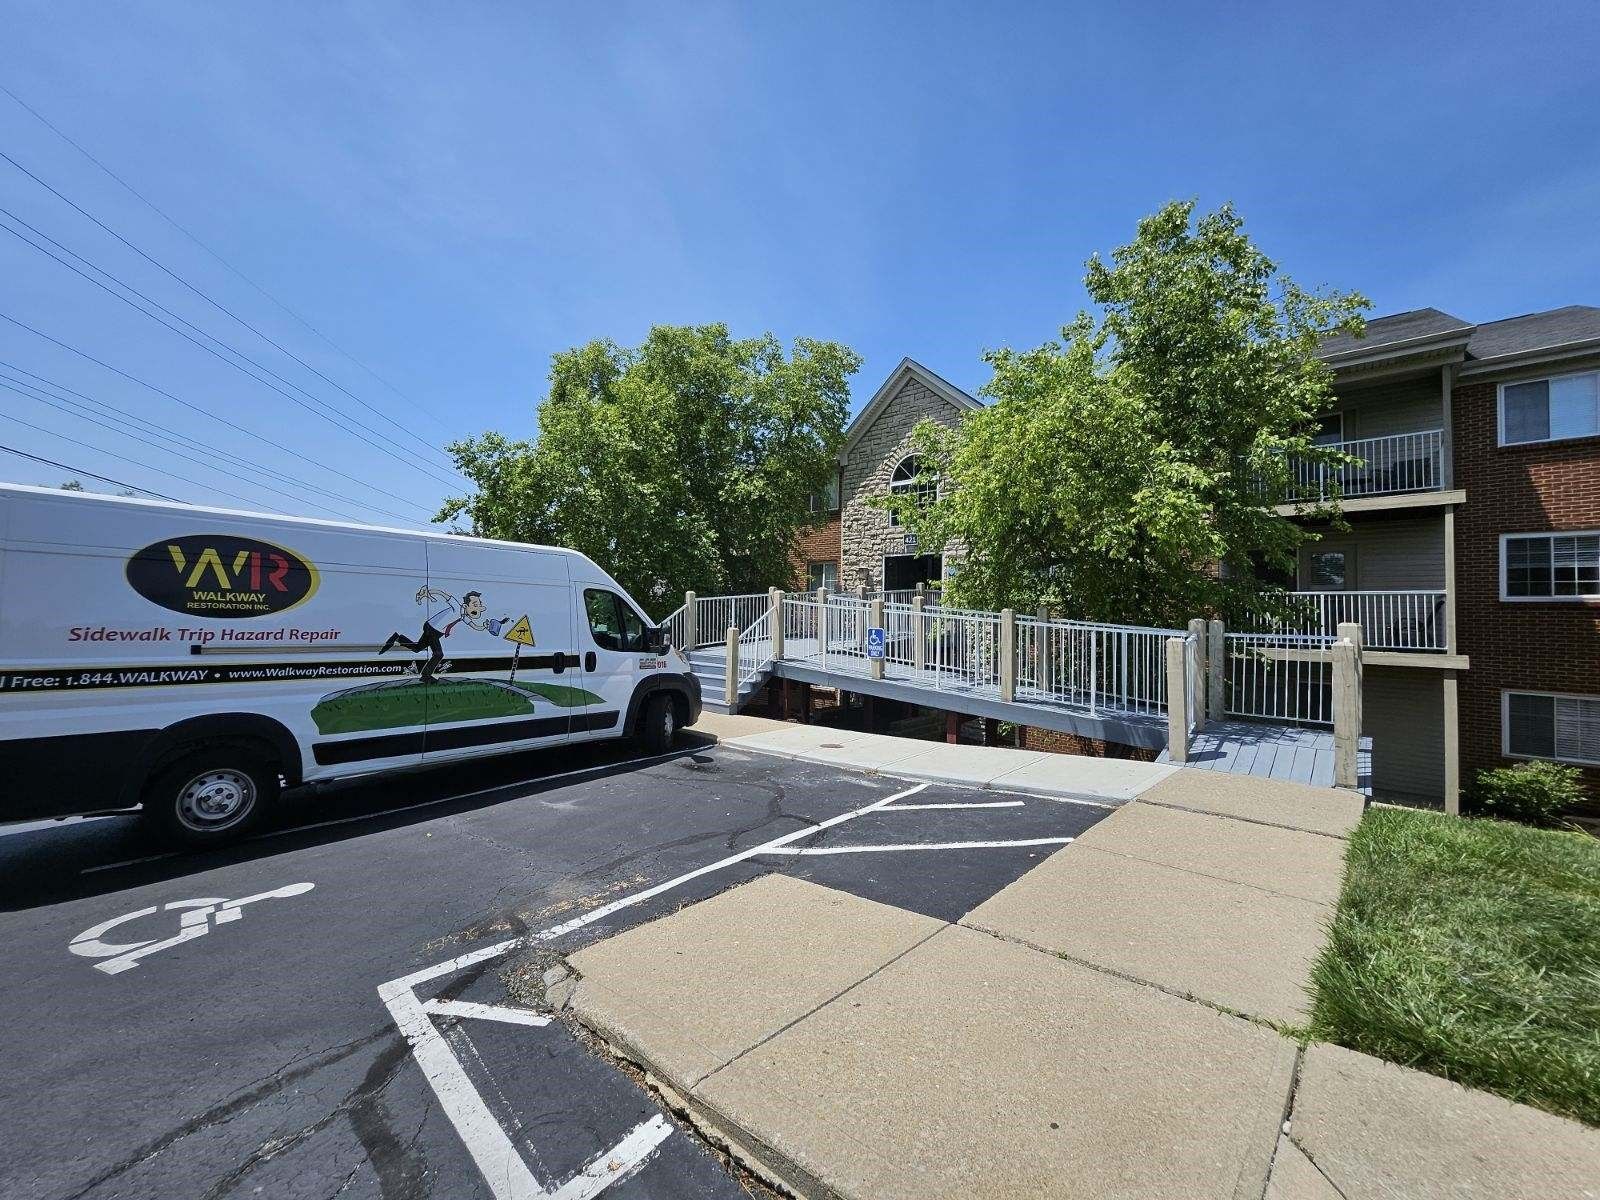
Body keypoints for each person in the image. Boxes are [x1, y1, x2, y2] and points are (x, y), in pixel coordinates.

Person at [380, 587, 506, 682]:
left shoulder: (463, 617)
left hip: (435, 631)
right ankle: (426, 676)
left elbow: (475, 626)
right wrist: (428, 592)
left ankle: (397, 637)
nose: (478, 608)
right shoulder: (457, 607)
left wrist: (484, 627)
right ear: (465, 605)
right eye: (475, 605)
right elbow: (443, 594)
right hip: (432, 629)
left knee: (418, 648)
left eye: (479, 605)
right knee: (438, 654)